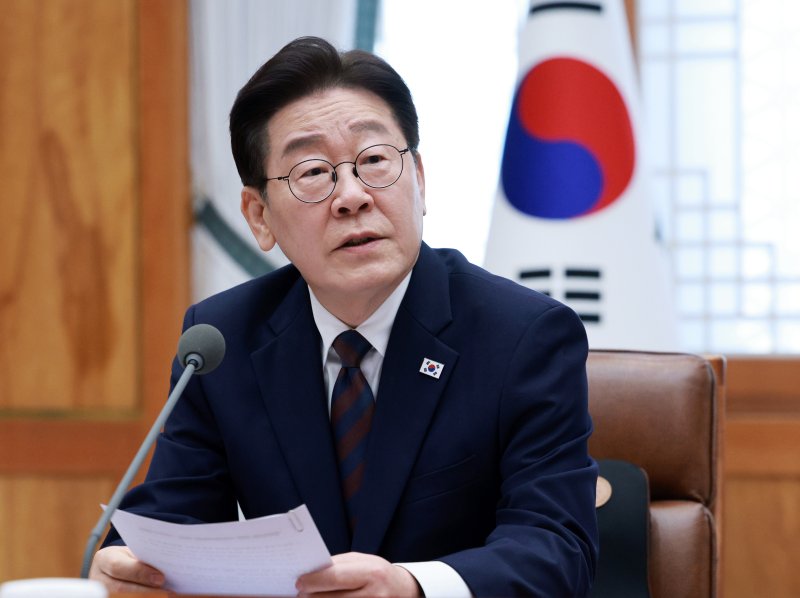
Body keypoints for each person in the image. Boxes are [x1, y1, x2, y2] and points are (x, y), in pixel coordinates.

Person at [90, 36, 598, 596]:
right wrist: (127, 566)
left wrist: (411, 587)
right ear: (259, 216)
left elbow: (557, 548)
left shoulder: (523, 336)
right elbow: (170, 520)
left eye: (375, 160)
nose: (352, 196)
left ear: (419, 180)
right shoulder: (222, 343)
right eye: (312, 172)